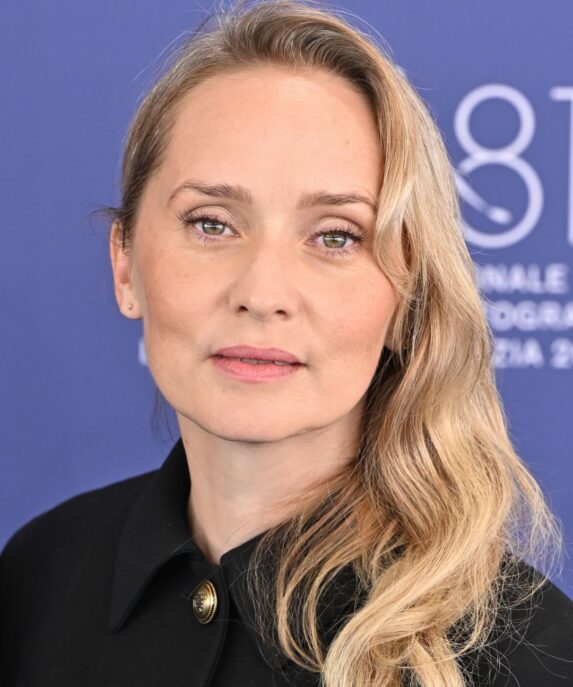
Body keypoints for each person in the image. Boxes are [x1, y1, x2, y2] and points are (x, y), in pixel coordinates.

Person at [1, 0, 572, 685]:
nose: (263, 291)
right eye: (212, 223)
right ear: (125, 265)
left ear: (407, 295)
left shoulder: (528, 654)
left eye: (335, 236)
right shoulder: (39, 577)